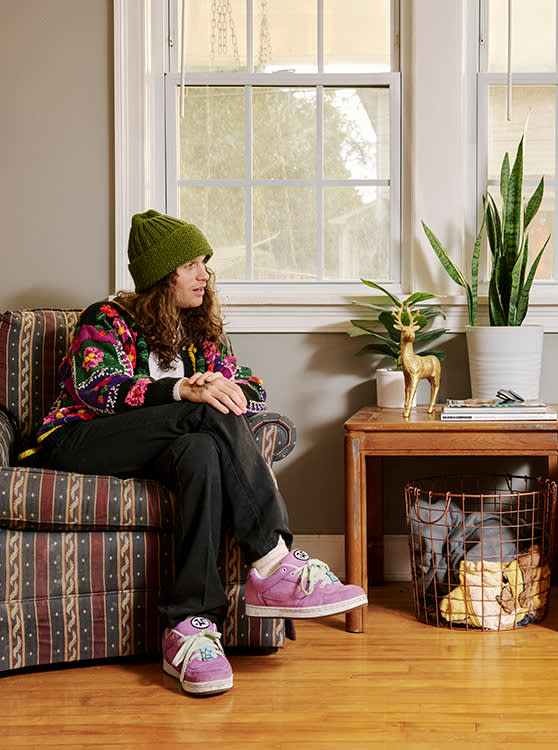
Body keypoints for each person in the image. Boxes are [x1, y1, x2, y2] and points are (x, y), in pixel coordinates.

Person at [30, 209, 366, 696]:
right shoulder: (106, 318)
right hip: (80, 442)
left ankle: (189, 628)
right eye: (190, 264)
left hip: (159, 447)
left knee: (203, 451)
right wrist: (183, 390)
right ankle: (273, 562)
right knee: (203, 410)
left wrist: (220, 385)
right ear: (161, 275)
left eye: (204, 262)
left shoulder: (200, 330)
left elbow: (250, 384)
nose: (204, 274)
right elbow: (94, 385)